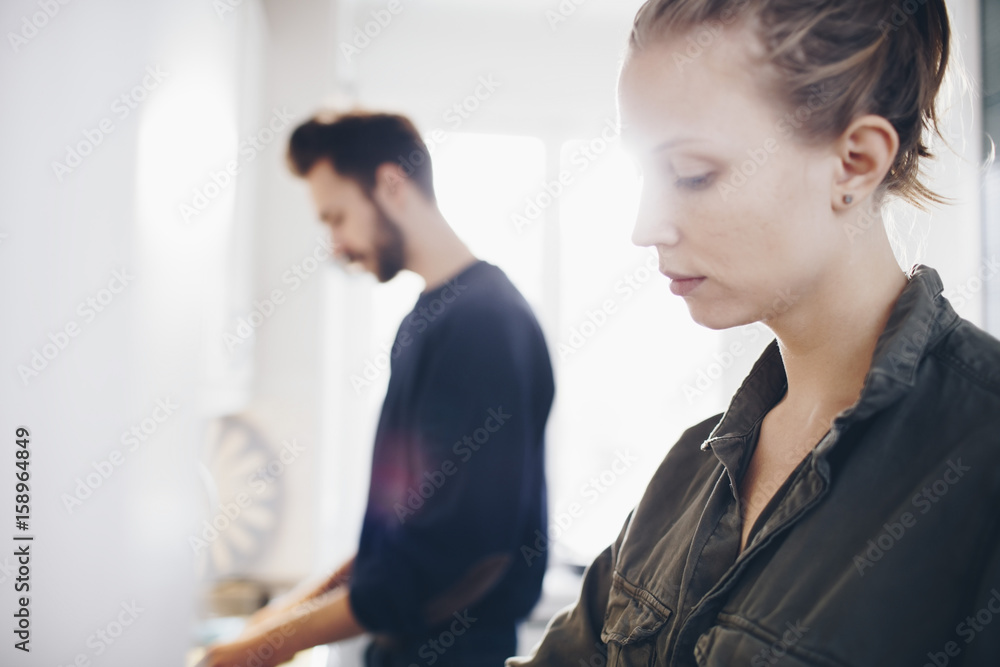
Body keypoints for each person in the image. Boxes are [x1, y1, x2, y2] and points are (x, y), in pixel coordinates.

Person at [509, 0, 1000, 665]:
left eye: (692, 174)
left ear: (855, 162)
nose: (646, 227)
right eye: (646, 175)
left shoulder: (981, 457)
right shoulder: (688, 471)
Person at [198, 112, 555, 667]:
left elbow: (437, 561)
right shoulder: (428, 319)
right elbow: (390, 546)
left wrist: (255, 651)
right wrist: (267, 625)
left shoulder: (483, 324)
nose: (335, 245)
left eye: (337, 217)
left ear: (391, 184)